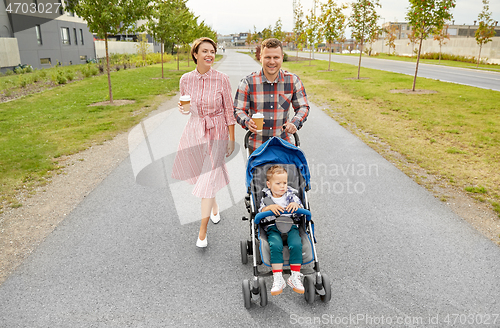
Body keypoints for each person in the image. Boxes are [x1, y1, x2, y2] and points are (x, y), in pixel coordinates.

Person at [171, 37, 236, 248]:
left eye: (212, 51)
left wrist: (231, 138)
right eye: (205, 51)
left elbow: (229, 110)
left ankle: (202, 232)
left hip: (217, 130)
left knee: (208, 178)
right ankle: (215, 207)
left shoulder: (222, 79)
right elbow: (184, 107)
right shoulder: (185, 79)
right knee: (204, 174)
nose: (209, 55)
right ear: (195, 54)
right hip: (195, 130)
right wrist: (183, 110)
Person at [234, 38, 310, 153]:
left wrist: (295, 122)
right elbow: (238, 109)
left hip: (283, 146)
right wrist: (247, 121)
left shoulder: (293, 81)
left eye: (276, 57)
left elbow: (303, 106)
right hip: (257, 147)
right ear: (260, 57)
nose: (272, 62)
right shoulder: (248, 82)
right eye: (267, 57)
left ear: (282, 57)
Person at [258, 165, 304, 295]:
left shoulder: (291, 195)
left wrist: (297, 205)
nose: (282, 186)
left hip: (291, 226)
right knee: (275, 245)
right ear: (269, 184)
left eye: (284, 182)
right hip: (273, 226)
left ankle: (295, 277)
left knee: (296, 244)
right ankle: (278, 278)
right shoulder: (266, 198)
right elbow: (260, 212)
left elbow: (300, 207)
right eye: (278, 183)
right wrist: (269, 208)